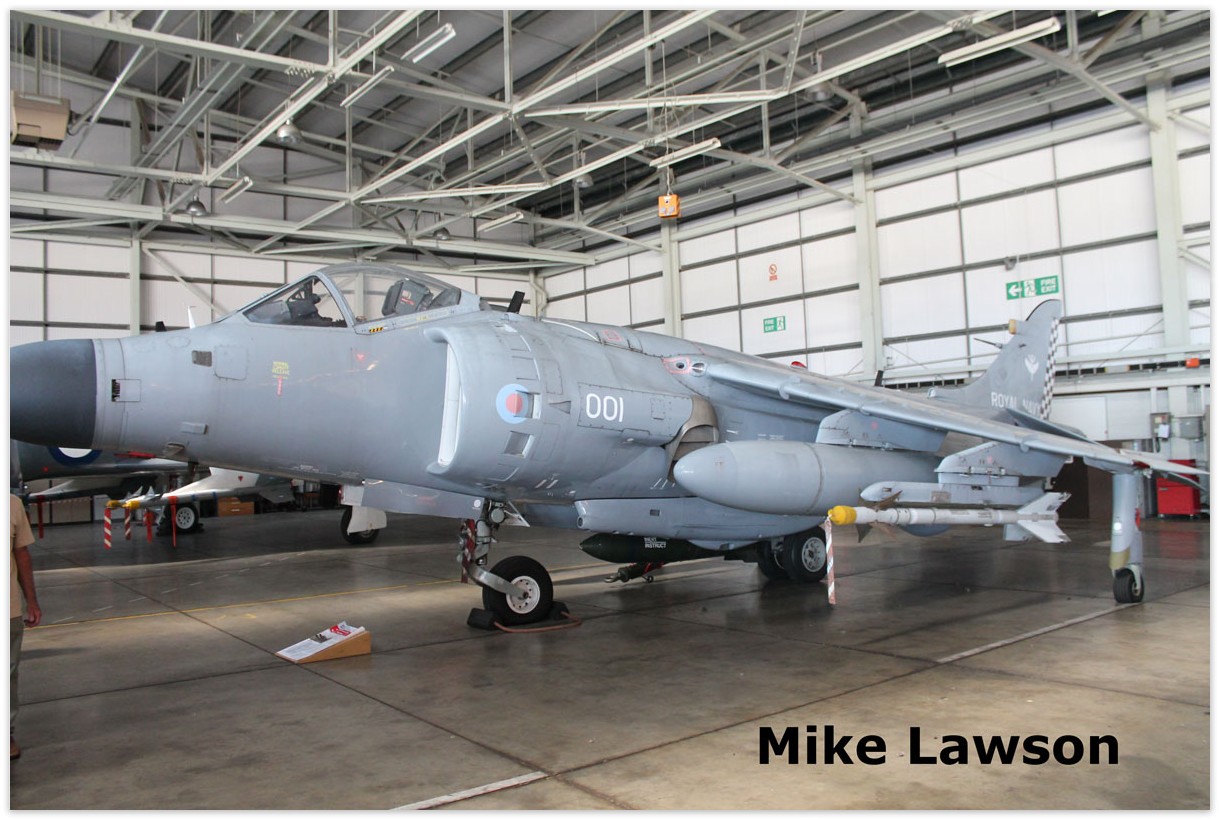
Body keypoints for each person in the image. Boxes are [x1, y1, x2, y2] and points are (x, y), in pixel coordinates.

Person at [10, 494, 40, 761]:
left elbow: (22, 555)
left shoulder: (11, 504)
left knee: (7, 675)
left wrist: (31, 601)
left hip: (7, 610)